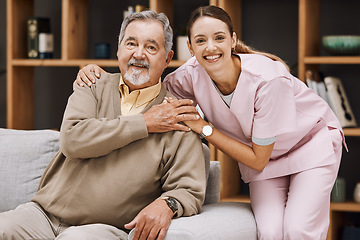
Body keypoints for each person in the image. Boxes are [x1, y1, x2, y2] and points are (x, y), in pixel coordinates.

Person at [76, 5, 347, 240]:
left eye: (219, 38)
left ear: (232, 39)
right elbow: (146, 82)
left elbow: (257, 160)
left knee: (298, 231)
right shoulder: (188, 76)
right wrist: (100, 75)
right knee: (271, 233)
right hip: (267, 161)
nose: (211, 47)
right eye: (201, 40)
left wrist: (203, 127)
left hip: (308, 146)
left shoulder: (268, 81)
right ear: (191, 48)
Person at [0, 10, 208, 240]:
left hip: (103, 228)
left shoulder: (177, 116)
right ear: (119, 49)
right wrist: (145, 122)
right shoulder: (92, 84)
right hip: (43, 215)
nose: (138, 54)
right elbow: (72, 140)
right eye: (131, 43)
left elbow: (189, 188)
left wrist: (167, 204)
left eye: (151, 47)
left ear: (167, 58)